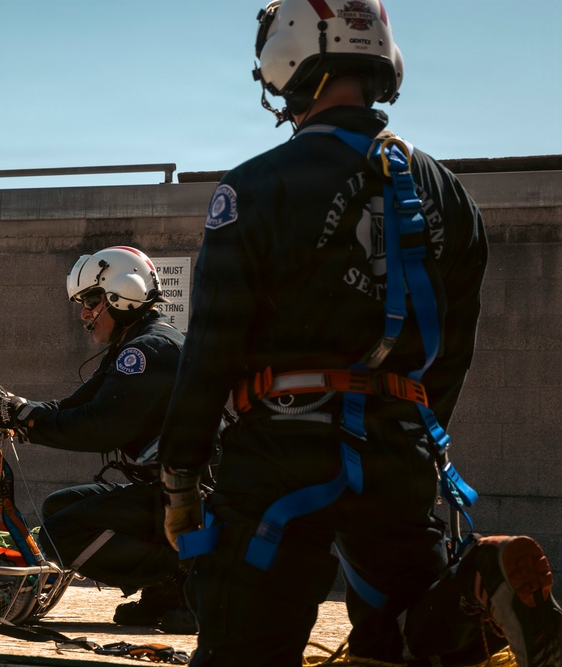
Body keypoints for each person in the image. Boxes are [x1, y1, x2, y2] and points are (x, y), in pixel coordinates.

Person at [156, 1, 562, 665]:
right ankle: (473, 586)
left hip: (279, 459)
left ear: (283, 60)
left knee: (243, 650)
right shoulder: (451, 194)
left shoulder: (255, 187)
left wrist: (179, 476)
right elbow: (452, 353)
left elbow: (212, 346)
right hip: (397, 449)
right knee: (395, 645)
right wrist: (410, 428)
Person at [0, 246, 204, 634]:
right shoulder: (138, 344)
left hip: (193, 498)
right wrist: (14, 407)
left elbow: (100, 426)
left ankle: (183, 582)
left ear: (122, 294)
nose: (84, 315)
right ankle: (165, 583)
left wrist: (23, 417)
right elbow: (72, 406)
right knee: (58, 506)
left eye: (91, 302)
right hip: (169, 490)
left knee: (62, 533)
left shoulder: (147, 351)